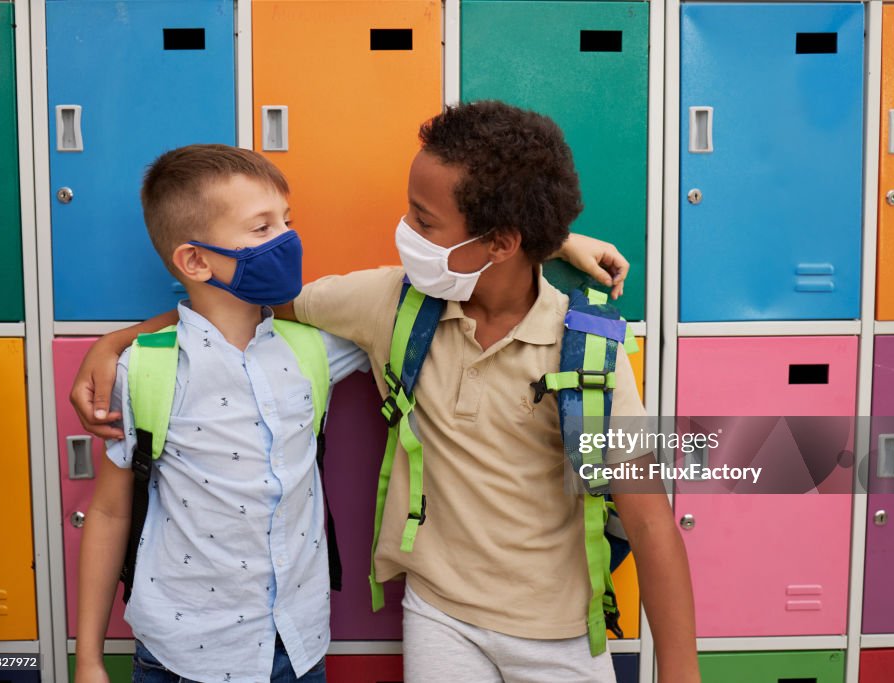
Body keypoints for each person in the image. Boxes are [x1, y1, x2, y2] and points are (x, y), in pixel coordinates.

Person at [74, 102, 699, 682]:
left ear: (502, 241)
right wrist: (116, 343)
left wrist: (679, 669)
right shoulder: (391, 304)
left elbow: (649, 520)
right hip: (439, 617)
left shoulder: (592, 351)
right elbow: (242, 300)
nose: (404, 230)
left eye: (423, 221)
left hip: (563, 630)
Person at [74, 144, 370, 683]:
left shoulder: (316, 350)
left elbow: (421, 295)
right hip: (180, 654)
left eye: (287, 221)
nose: (286, 239)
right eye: (261, 229)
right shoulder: (143, 369)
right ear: (195, 260)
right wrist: (89, 659)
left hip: (296, 649)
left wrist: (550, 240)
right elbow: (112, 513)